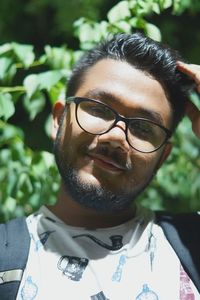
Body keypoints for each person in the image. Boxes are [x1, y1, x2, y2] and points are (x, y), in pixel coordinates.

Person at [5, 33, 200, 299]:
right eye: (99, 109)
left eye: (143, 127)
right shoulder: (5, 257)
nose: (116, 137)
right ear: (59, 119)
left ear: (163, 156)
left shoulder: (192, 246)